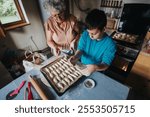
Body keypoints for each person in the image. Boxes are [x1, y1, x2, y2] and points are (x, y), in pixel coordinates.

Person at [69, 9, 116, 75]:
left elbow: (105, 64)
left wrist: (96, 67)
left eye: (93, 33)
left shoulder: (110, 44)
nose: (90, 36)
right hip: (82, 65)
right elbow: (81, 49)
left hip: (96, 71)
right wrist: (75, 57)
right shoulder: (85, 34)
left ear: (104, 29)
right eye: (89, 32)